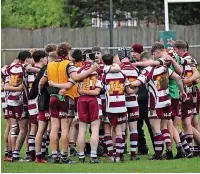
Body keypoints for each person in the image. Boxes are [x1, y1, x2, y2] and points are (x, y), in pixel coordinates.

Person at [39, 42, 98, 164]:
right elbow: (76, 77)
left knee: (54, 128)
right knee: (65, 128)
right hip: (66, 98)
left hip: (53, 98)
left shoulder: (50, 65)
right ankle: (64, 157)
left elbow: (41, 82)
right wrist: (91, 70)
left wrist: (49, 91)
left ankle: (55, 155)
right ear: (66, 53)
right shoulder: (68, 64)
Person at [130, 51, 187, 160]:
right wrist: (182, 91)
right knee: (164, 127)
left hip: (155, 103)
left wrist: (126, 85)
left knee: (156, 129)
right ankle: (169, 150)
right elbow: (178, 78)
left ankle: (158, 154)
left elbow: (137, 83)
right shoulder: (164, 68)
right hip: (166, 101)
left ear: (144, 61)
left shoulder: (148, 70)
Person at [4, 51, 40, 162]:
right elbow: (29, 69)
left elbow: (5, 85)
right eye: (30, 59)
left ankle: (10, 154)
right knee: (24, 129)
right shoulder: (24, 67)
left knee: (14, 129)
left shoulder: (10, 68)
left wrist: (13, 88)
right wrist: (42, 70)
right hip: (20, 102)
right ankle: (16, 154)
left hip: (10, 101)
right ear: (27, 59)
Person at [101, 54, 133, 162]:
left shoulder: (104, 74)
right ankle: (118, 156)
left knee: (107, 130)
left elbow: (101, 88)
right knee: (119, 131)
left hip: (109, 107)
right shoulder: (122, 74)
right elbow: (128, 91)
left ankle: (111, 155)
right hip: (121, 106)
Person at [131, 43, 154, 154]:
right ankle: (142, 148)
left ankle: (157, 148)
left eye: (134, 52)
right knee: (137, 125)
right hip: (137, 100)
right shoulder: (135, 65)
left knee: (151, 125)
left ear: (139, 53)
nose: (132, 54)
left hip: (147, 99)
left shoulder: (147, 65)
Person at [118, 47, 140, 161]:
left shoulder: (119, 69)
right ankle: (133, 154)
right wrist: (133, 91)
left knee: (121, 130)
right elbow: (137, 86)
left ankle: (121, 154)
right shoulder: (135, 69)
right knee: (133, 129)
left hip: (122, 102)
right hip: (133, 101)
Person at [27, 50, 47, 161]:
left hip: (30, 101)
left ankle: (32, 153)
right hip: (37, 101)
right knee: (40, 128)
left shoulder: (29, 70)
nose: (47, 60)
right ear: (41, 59)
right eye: (45, 58)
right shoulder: (41, 71)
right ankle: (38, 154)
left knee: (34, 128)